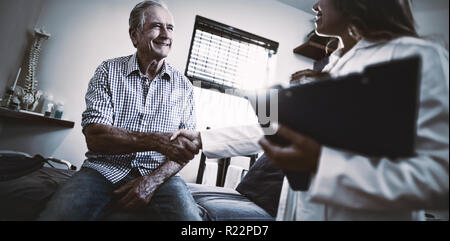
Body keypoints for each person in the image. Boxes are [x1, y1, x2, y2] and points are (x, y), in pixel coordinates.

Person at [172, 0, 449, 220]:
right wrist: (203, 139)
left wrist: (321, 163)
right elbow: (277, 130)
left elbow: (440, 178)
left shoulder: (416, 57)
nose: (314, 6)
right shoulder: (332, 66)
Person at [38, 0, 202, 221]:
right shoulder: (108, 71)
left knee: (191, 221)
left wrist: (152, 181)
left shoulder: (185, 87)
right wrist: (159, 141)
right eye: (156, 26)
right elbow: (95, 137)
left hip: (160, 177)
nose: (165, 34)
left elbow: (185, 150)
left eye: (170, 27)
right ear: (134, 35)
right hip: (102, 170)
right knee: (59, 214)